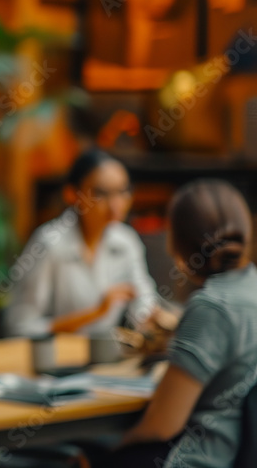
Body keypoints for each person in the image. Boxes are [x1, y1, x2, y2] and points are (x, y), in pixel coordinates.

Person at [87, 179, 257, 467]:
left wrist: (113, 447)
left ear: (177, 244)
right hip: (240, 455)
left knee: (77, 451)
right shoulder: (250, 289)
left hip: (197, 458)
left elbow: (163, 423)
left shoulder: (210, 307)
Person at [5, 148, 158, 337]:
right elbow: (20, 326)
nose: (115, 204)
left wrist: (149, 318)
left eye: (122, 191)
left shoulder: (126, 241)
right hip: (56, 360)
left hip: (105, 357)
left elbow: (144, 301)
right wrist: (95, 313)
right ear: (72, 195)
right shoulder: (49, 243)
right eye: (101, 193)